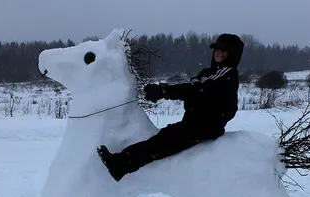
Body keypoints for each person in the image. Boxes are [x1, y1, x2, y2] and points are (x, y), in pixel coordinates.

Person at [97, 33, 244, 182]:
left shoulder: (228, 74)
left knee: (163, 143)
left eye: (223, 50)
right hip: (193, 123)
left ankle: (120, 165)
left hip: (205, 127)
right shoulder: (208, 72)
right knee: (163, 139)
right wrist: (166, 91)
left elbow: (196, 89)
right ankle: (120, 164)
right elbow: (192, 88)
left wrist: (163, 91)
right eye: (217, 49)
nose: (219, 52)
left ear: (233, 54)